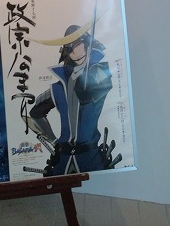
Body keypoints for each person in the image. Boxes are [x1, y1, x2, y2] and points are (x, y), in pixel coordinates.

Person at [27, 24, 115, 174]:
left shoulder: (100, 73)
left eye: (80, 44)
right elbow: (35, 113)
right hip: (63, 160)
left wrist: (85, 76)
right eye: (70, 48)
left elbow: (88, 93)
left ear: (87, 44)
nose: (77, 52)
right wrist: (54, 141)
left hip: (90, 158)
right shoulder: (58, 88)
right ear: (66, 53)